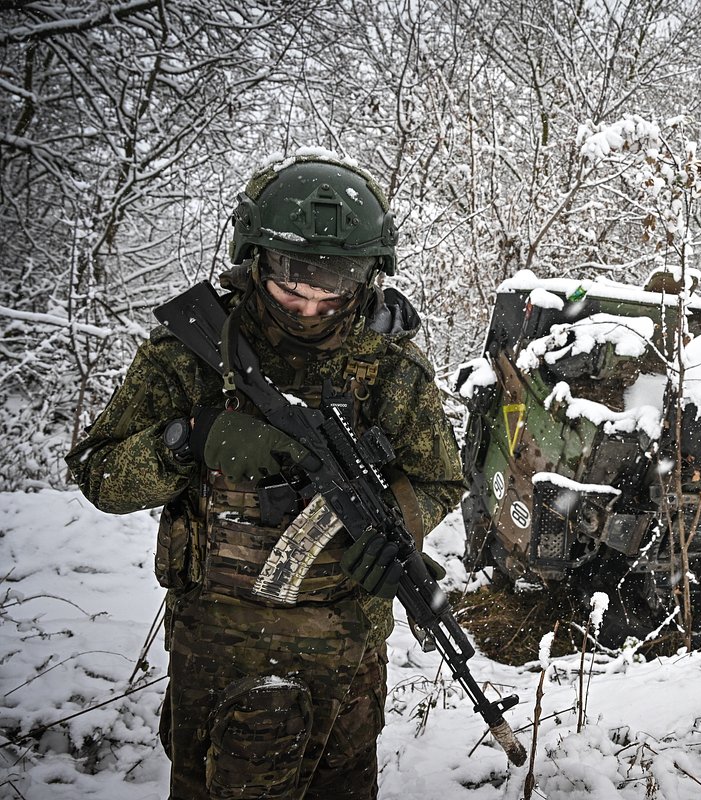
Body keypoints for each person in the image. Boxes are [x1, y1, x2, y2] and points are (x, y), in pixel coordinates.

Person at [66, 151, 464, 799]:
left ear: (368, 277)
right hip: (222, 653)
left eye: (330, 288)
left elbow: (443, 479)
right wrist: (191, 439)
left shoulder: (388, 365)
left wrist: (396, 525)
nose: (308, 306)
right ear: (253, 256)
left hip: (348, 660)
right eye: (289, 284)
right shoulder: (192, 353)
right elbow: (98, 473)